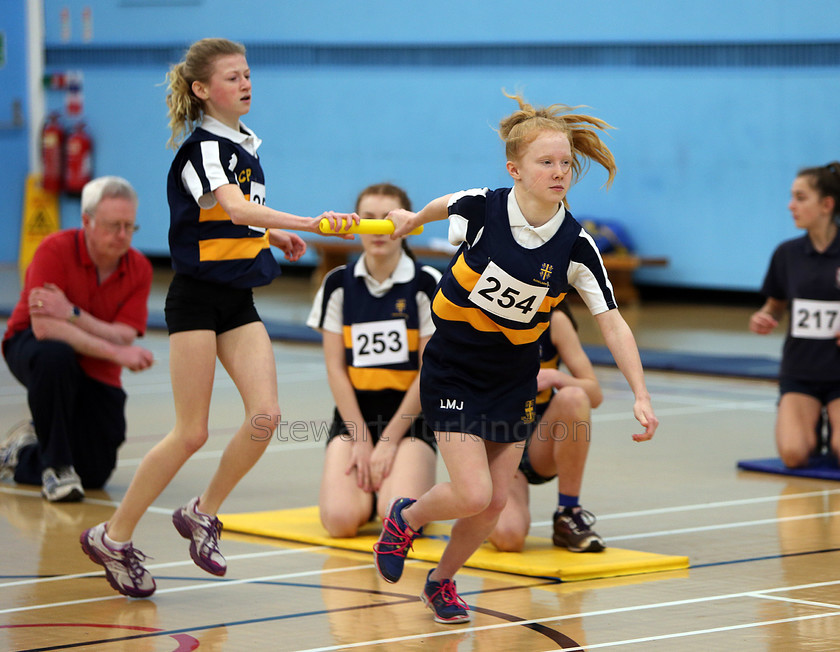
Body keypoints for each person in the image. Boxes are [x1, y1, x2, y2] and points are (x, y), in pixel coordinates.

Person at [80, 37, 357, 599]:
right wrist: (308, 223)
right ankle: (113, 536)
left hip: (238, 298)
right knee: (192, 431)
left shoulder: (245, 145)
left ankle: (202, 511)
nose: (246, 84)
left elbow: (232, 216)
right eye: (233, 77)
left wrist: (271, 233)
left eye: (248, 74)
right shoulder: (203, 148)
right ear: (203, 90)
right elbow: (231, 206)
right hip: (196, 301)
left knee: (265, 416)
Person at [372, 92, 658, 625]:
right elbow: (441, 206)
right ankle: (404, 518)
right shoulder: (483, 206)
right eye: (546, 162)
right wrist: (412, 219)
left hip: (512, 376)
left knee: (496, 503)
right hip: (453, 364)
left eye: (566, 163)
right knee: (472, 490)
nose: (559, 172)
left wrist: (640, 392)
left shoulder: (577, 247)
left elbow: (612, 321)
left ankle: (441, 583)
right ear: (516, 169)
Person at [1, 176, 154, 503]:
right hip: (31, 346)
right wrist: (114, 347)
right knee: (55, 357)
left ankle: (23, 452)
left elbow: (125, 334)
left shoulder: (139, 268)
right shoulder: (53, 250)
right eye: (114, 226)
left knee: (95, 473)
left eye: (130, 226)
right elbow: (45, 328)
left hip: (96, 364)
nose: (123, 235)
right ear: (87, 222)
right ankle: (56, 467)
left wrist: (72, 313)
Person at [307, 183, 440, 537]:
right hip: (355, 421)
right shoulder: (337, 284)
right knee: (339, 520)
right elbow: (335, 368)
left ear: (406, 225)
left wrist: (388, 441)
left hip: (411, 424)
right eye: (368, 219)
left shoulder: (427, 284)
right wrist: (361, 438)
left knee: (395, 519)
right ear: (355, 224)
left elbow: (429, 373)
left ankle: (389, 490)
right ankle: (362, 494)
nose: (378, 229)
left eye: (387, 220)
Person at [488, 302, 605, 553]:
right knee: (509, 538)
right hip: (497, 444)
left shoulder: (555, 319)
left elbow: (594, 395)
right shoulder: (479, 312)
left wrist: (555, 377)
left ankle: (568, 512)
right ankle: (478, 504)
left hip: (539, 441)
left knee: (574, 397)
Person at [749, 162, 840, 468]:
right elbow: (775, 304)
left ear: (827, 204)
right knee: (794, 454)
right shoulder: (786, 254)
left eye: (800, 198)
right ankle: (812, 429)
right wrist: (765, 315)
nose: (791, 206)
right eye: (792, 197)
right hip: (801, 373)